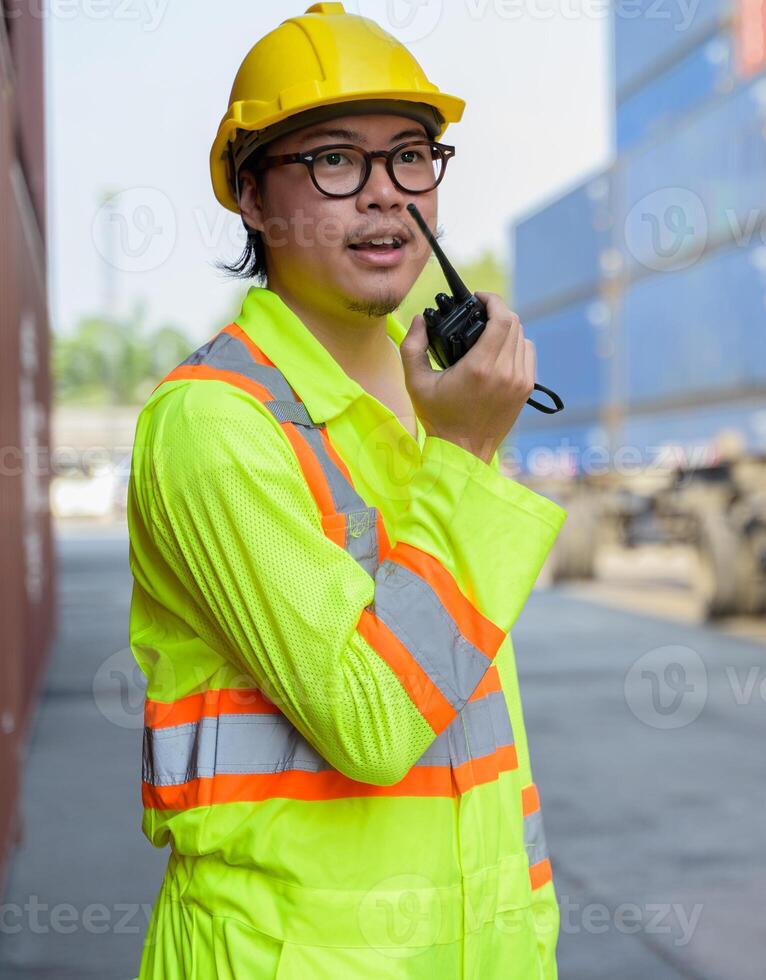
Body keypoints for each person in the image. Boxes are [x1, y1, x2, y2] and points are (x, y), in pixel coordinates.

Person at [126, 4, 565, 975]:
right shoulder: (215, 426)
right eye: (333, 161)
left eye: (410, 156)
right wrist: (463, 457)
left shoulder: (426, 410)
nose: (383, 196)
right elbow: (373, 722)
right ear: (250, 192)